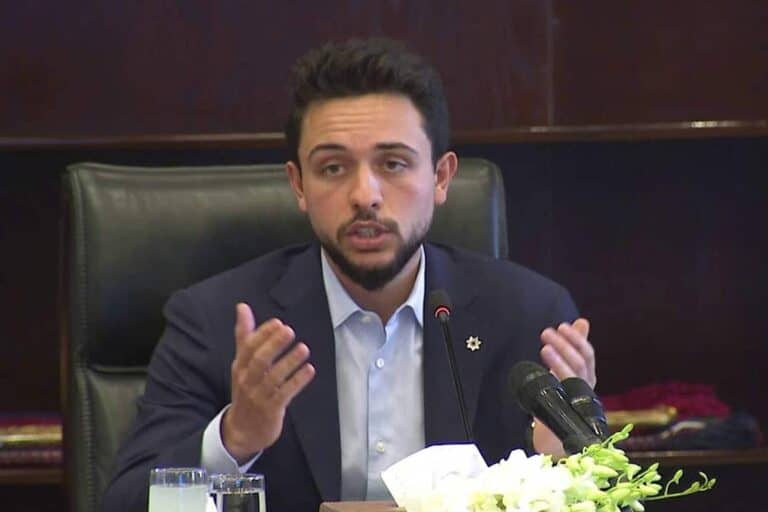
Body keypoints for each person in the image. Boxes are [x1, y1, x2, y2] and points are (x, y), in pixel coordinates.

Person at [102, 38, 596, 512]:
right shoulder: (217, 323)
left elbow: (607, 495)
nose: (365, 195)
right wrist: (235, 438)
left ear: (441, 177)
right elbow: (125, 503)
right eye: (333, 168)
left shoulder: (529, 319)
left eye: (393, 164)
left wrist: (567, 464)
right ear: (298, 184)